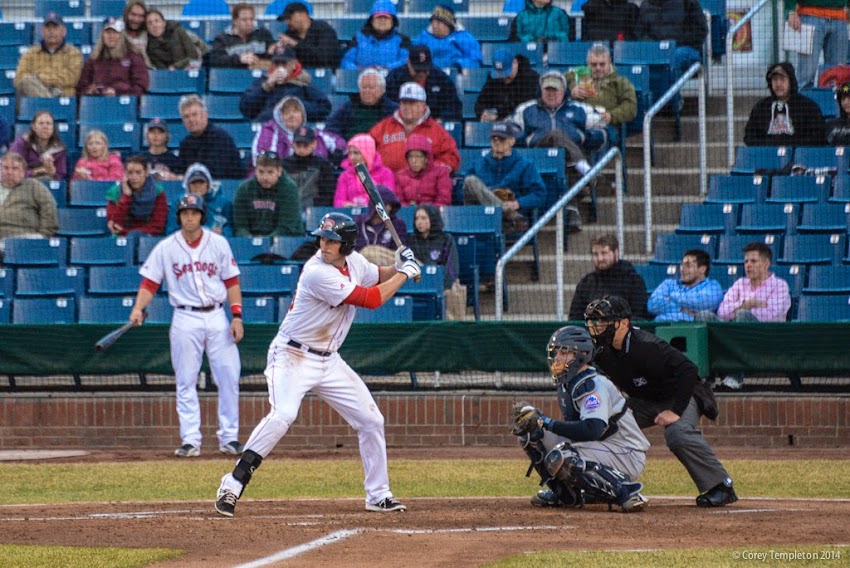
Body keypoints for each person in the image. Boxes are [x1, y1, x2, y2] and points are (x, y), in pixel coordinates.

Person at [214, 212, 421, 517]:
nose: (324, 244)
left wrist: (399, 265)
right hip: (293, 355)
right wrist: (406, 273)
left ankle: (378, 495)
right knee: (283, 414)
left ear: (347, 244)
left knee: (372, 421)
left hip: (329, 359)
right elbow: (371, 299)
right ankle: (233, 483)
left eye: (332, 240)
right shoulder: (316, 272)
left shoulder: (356, 263)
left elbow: (376, 275)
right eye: (322, 238)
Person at [584, 295, 738, 508]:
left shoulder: (647, 347)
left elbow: (689, 370)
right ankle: (602, 484)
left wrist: (675, 411)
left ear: (624, 323)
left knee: (677, 433)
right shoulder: (602, 352)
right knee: (602, 425)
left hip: (684, 393)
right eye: (596, 322)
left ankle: (722, 486)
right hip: (645, 399)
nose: (598, 327)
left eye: (604, 321)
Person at [130, 193, 244, 458]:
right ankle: (190, 439)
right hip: (184, 317)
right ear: (179, 216)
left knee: (228, 376)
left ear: (201, 215)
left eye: (194, 212)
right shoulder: (167, 247)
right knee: (185, 379)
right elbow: (150, 283)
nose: (189, 217)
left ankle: (230, 438)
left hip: (217, 315)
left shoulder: (218, 243)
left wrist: (236, 316)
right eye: (184, 213)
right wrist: (138, 308)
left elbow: (232, 282)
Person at [511, 325, 650, 511]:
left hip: (625, 452)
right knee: (530, 433)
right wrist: (537, 422)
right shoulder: (567, 383)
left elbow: (592, 428)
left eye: (564, 352)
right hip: (600, 447)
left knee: (565, 456)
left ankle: (626, 492)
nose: (557, 358)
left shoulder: (593, 384)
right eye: (556, 353)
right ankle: (565, 494)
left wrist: (548, 422)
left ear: (582, 354)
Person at [695, 242, 791, 391]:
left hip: (764, 338)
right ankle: (710, 375)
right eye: (746, 261)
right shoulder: (740, 284)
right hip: (733, 335)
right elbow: (722, 312)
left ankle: (735, 376)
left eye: (753, 261)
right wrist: (746, 304)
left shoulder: (780, 286)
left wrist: (742, 311)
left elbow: (773, 316)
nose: (748, 265)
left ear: (766, 263)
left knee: (743, 316)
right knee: (704, 316)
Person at [512, 71, 603, 176]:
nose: (551, 94)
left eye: (555, 90)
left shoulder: (580, 108)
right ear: (541, 90)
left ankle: (579, 175)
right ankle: (585, 170)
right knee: (555, 135)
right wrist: (526, 139)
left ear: (564, 91)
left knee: (560, 140)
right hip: (538, 157)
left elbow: (601, 131)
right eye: (547, 90)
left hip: (571, 158)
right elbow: (511, 131)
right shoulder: (526, 109)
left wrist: (584, 137)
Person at [462, 121, 546, 233]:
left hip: (510, 222)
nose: (497, 143)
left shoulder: (525, 165)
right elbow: (461, 190)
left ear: (512, 141)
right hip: (483, 218)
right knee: (470, 181)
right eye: (494, 139)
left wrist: (518, 203)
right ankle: (506, 213)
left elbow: (539, 194)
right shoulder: (478, 164)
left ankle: (505, 213)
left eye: (502, 139)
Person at [370, 82, 461, 173]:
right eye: (404, 103)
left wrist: (431, 172)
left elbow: (451, 157)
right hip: (387, 182)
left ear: (423, 105)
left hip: (424, 184)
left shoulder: (437, 131)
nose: (407, 107)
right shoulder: (383, 127)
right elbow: (366, 152)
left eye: (412, 103)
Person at [565, 43, 637, 153]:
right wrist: (571, 92)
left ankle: (588, 167)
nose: (598, 68)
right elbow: (553, 88)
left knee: (593, 138)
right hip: (576, 122)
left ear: (609, 63)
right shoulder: (574, 76)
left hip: (605, 126)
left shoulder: (621, 82)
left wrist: (611, 116)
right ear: (587, 64)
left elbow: (631, 107)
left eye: (602, 64)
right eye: (593, 65)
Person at [239, 46, 332, 124]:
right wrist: (266, 86)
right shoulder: (263, 81)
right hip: (267, 129)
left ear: (294, 65)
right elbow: (246, 109)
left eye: (284, 64)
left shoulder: (304, 83)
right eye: (276, 64)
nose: (280, 67)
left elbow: (324, 108)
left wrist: (295, 106)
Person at [743, 62, 826, 147]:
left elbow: (817, 138)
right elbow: (750, 137)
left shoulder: (807, 107)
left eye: (782, 79)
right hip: (767, 157)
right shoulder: (761, 107)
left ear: (791, 81)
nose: (778, 84)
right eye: (775, 79)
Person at [568, 234, 648, 320]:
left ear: (616, 253)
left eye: (604, 253)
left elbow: (639, 316)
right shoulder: (586, 283)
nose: (600, 258)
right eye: (595, 254)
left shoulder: (633, 281)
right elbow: (574, 318)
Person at [250, 96, 345, 169]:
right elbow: (262, 160)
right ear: (280, 116)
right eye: (287, 112)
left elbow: (338, 142)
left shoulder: (313, 133)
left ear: (302, 115)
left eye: (295, 111)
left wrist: (338, 152)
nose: (291, 115)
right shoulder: (269, 131)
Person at [408, 204, 466, 320]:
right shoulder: (411, 240)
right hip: (419, 282)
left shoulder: (446, 239)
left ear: (433, 219)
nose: (419, 222)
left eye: (423, 218)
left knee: (454, 289)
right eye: (417, 218)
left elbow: (452, 268)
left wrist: (443, 285)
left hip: (442, 282)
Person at [232, 151, 303, 237]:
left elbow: (286, 227)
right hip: (250, 242)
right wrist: (250, 240)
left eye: (270, 172)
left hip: (285, 242)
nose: (265, 177)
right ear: (255, 171)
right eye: (261, 172)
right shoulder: (244, 189)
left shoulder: (289, 189)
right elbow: (240, 226)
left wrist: (265, 242)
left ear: (279, 171)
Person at [0, 152, 58, 256]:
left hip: (23, 235)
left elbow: (49, 207)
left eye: (15, 168)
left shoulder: (33, 186)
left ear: (23, 172)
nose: (9, 172)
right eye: (5, 168)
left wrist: (44, 233)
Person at [384, 45, 463, 122]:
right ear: (408, 63)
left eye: (425, 70)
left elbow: (454, 106)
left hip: (432, 125)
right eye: (417, 70)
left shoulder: (441, 78)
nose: (421, 73)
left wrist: (442, 119)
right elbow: (385, 104)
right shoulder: (394, 78)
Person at [14, 12, 83, 98]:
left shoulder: (73, 53)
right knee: (26, 80)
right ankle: (49, 99)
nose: (51, 31)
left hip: (63, 98)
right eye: (48, 28)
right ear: (42, 31)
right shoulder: (30, 53)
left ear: (64, 31)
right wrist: (50, 85)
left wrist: (39, 78)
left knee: (31, 80)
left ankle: (48, 99)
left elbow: (72, 78)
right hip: (35, 101)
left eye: (55, 27)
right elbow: (19, 78)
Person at [76, 17, 150, 97]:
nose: (111, 36)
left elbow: (140, 85)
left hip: (124, 104)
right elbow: (81, 86)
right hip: (98, 103)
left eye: (115, 32)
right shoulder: (94, 59)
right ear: (102, 36)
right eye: (108, 32)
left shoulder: (133, 57)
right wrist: (89, 90)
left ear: (122, 35)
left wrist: (118, 92)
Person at [178, 95, 245, 180]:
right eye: (186, 116)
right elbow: (181, 172)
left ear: (205, 115)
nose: (191, 120)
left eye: (194, 115)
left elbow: (214, 174)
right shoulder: (185, 144)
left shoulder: (219, 138)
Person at [785, 0, 849, 89]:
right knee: (806, 75)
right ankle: (802, 101)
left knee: (839, 76)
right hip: (809, 15)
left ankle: (834, 102)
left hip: (839, 17)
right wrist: (790, 10)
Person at [636, 0, 708, 79]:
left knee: (675, 56)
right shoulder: (646, 5)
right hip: (656, 51)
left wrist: (674, 43)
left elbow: (701, 30)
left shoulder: (688, 2)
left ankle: (669, 90)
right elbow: (640, 34)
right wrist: (656, 45)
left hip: (685, 49)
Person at [648, 249, 723, 322]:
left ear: (702, 269)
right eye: (682, 265)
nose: (682, 269)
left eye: (688, 266)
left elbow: (703, 303)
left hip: (692, 330)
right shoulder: (668, 284)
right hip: (662, 328)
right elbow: (652, 304)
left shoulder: (713, 286)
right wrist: (680, 309)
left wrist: (670, 297)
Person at [325, 68, 398, 141]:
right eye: (364, 87)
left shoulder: (392, 110)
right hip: (351, 149)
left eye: (371, 87)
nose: (367, 91)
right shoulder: (349, 107)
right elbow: (331, 126)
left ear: (382, 90)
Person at [105, 154, 168, 237]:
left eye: (138, 172)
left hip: (149, 235)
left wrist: (131, 233)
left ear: (146, 173)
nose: (134, 177)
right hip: (122, 236)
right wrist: (126, 197)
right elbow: (115, 224)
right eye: (130, 173)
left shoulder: (158, 191)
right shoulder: (115, 192)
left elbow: (158, 225)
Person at [341, 0, 411, 71]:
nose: (382, 20)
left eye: (386, 18)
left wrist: (385, 69)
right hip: (361, 79)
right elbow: (346, 62)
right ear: (371, 20)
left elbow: (405, 62)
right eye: (379, 17)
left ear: (393, 21)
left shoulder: (402, 40)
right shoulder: (358, 38)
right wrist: (363, 70)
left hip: (393, 80)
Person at [474, 48, 540, 123]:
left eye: (506, 73)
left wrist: (498, 116)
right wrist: (483, 114)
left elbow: (525, 109)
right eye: (500, 73)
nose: (503, 77)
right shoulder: (494, 78)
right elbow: (480, 103)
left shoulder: (531, 79)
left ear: (515, 63)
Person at [281, 126, 338, 209]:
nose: (301, 149)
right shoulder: (284, 164)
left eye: (305, 145)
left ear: (314, 144)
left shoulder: (322, 165)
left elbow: (327, 194)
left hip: (314, 211)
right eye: (298, 145)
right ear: (292, 144)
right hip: (288, 210)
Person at [334, 134, 396, 207]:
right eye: (350, 153)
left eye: (356, 153)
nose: (352, 157)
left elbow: (389, 200)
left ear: (368, 153)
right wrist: (348, 205)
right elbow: (338, 202)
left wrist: (368, 205)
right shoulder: (344, 176)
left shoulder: (385, 173)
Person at [208, 3, 276, 69]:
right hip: (233, 77)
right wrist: (239, 59)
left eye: (251, 19)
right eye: (244, 20)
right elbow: (215, 60)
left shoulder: (263, 34)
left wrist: (271, 53)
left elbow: (273, 57)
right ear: (235, 21)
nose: (249, 23)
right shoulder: (222, 39)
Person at [413, 5, 482, 70]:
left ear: (448, 25)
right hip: (429, 76)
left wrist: (459, 65)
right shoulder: (424, 37)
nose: (434, 26)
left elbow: (475, 59)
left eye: (438, 23)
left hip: (455, 77)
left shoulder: (462, 37)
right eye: (432, 22)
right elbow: (412, 55)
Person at [275, 1, 340, 70]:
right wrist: (275, 50)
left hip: (324, 74)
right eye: (286, 19)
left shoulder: (323, 29)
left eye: (290, 18)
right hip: (297, 77)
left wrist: (295, 44)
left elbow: (324, 58)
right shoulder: (289, 34)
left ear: (303, 15)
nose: (287, 22)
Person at [354, 184, 407, 264]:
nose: (389, 208)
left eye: (391, 205)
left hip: (389, 268)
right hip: (359, 267)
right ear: (374, 204)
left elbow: (399, 254)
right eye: (386, 205)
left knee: (368, 253)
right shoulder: (358, 222)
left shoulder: (397, 224)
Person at [394, 134, 453, 207]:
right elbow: (400, 202)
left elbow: (444, 200)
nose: (414, 161)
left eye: (418, 156)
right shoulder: (400, 175)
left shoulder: (441, 172)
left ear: (426, 158)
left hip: (434, 215)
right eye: (410, 156)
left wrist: (426, 212)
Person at [9, 111, 67, 182]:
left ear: (53, 128)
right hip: (22, 182)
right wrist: (35, 172)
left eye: (48, 124)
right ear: (33, 126)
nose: (45, 127)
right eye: (41, 123)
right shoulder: (21, 143)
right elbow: (12, 169)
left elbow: (60, 174)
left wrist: (53, 172)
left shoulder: (59, 149)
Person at [182, 163, 233, 236]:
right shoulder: (180, 203)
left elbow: (230, 228)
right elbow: (172, 230)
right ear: (188, 186)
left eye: (201, 182)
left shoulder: (224, 203)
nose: (198, 186)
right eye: (194, 183)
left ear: (208, 184)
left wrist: (222, 232)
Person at [123, 0, 153, 68]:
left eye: (141, 16)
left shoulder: (150, 33)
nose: (136, 19)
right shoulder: (118, 31)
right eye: (133, 14)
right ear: (126, 14)